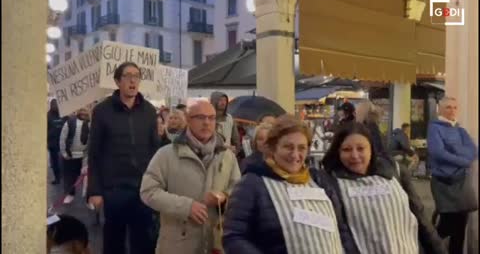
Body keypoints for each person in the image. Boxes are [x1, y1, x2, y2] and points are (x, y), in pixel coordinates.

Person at [223, 115, 359, 254]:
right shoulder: (252, 184)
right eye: (288, 147)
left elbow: (341, 230)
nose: (295, 155)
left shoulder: (320, 181)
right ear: (272, 148)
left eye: (301, 148)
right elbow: (234, 238)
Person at [322, 122, 447, 254]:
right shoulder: (330, 184)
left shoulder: (394, 172)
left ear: (371, 149)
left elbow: (421, 218)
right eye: (347, 149)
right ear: (337, 152)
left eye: (361, 148)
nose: (355, 155)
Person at [140, 100, 241, 254]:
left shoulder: (227, 156)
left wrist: (224, 196)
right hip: (177, 245)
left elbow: (239, 191)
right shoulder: (167, 154)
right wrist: (186, 207)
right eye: (200, 117)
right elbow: (148, 191)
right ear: (188, 120)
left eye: (211, 118)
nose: (206, 122)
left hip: (215, 244)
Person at [87, 62, 159, 254]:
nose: (133, 80)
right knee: (113, 242)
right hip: (114, 190)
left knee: (144, 241)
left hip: (143, 189)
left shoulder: (150, 111)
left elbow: (155, 151)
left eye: (136, 75)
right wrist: (95, 190)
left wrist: (158, 184)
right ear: (118, 81)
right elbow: (94, 153)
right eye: (127, 75)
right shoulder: (102, 111)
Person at [427, 96, 477, 254]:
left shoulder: (460, 129)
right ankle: (426, 246)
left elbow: (473, 150)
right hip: (444, 182)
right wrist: (463, 160)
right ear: (440, 109)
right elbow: (438, 153)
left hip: (462, 183)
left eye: (455, 107)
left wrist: (459, 155)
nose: (452, 110)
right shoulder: (435, 128)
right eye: (448, 107)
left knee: (461, 224)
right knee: (448, 224)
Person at [59, 107, 90, 204]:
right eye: (82, 109)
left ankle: (88, 198)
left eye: (86, 108)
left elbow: (92, 141)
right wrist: (64, 153)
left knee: (88, 179)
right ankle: (70, 194)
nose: (84, 111)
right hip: (70, 155)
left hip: (84, 156)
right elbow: (62, 138)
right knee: (69, 177)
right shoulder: (70, 122)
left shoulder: (91, 124)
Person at [48, 99, 68, 184]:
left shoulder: (64, 114)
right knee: (55, 162)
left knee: (64, 160)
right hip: (53, 143)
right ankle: (57, 178)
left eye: (56, 104)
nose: (55, 106)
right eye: (53, 105)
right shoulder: (48, 116)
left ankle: (64, 176)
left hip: (63, 142)